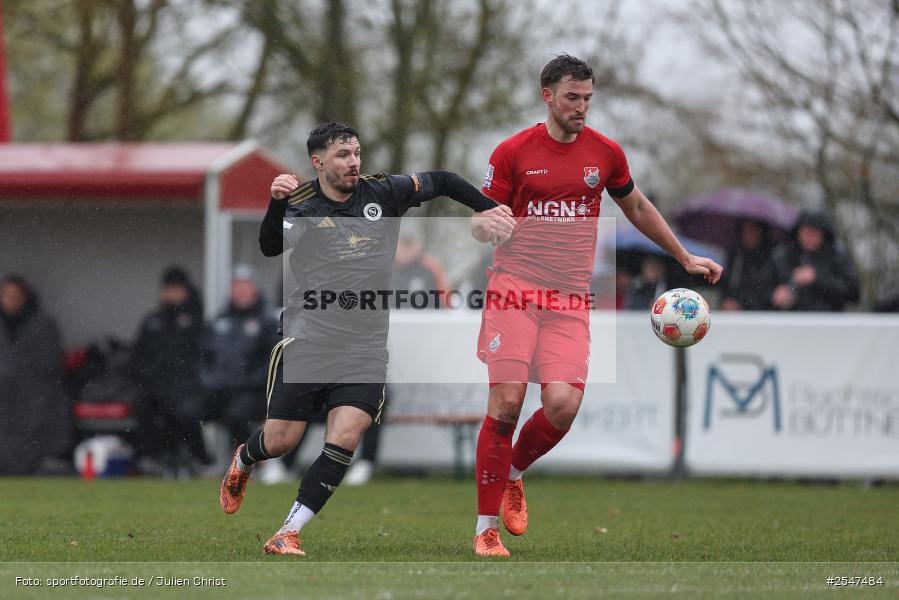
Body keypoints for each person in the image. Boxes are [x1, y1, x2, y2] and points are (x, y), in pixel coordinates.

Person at [218, 121, 516, 556]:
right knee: (281, 441)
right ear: (317, 162)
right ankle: (245, 458)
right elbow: (268, 247)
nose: (353, 161)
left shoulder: (384, 192)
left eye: (356, 152)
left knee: (347, 433)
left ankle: (288, 531)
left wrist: (487, 206)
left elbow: (443, 181)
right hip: (309, 337)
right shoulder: (300, 203)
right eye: (342, 155)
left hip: (364, 345)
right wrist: (275, 203)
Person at [470, 55, 723, 556]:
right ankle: (485, 528)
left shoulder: (605, 153)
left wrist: (683, 256)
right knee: (507, 403)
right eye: (572, 98)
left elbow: (638, 207)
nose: (581, 107)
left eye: (587, 98)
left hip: (568, 299)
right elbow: (482, 220)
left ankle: (514, 475)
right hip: (513, 290)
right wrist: (486, 227)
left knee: (562, 406)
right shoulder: (513, 152)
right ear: (547, 95)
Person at [130, 267, 212, 476]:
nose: (173, 293)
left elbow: (205, 358)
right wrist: (149, 380)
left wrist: (194, 382)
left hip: (190, 387)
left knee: (185, 412)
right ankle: (157, 459)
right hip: (157, 386)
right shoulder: (152, 321)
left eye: (177, 288)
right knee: (146, 407)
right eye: (169, 288)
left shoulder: (197, 321)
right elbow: (139, 357)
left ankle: (198, 459)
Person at [201, 265, 279, 452]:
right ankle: (202, 462)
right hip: (220, 389)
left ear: (255, 289)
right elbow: (203, 356)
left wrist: (251, 381)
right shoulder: (218, 321)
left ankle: (246, 461)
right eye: (237, 286)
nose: (241, 291)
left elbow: (273, 358)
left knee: (237, 414)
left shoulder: (268, 321)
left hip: (255, 391)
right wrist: (210, 380)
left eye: (245, 286)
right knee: (186, 411)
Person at [0, 275, 72, 474]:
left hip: (35, 399)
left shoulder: (42, 325)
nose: (10, 300)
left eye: (16, 295)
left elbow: (52, 364)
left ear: (25, 297)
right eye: (6, 295)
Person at [769, 210, 859, 312]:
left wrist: (817, 278)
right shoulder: (783, 256)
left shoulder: (837, 255)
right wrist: (777, 295)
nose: (809, 236)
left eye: (814, 232)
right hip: (792, 322)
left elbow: (853, 293)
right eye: (806, 231)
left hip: (828, 322)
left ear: (823, 233)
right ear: (798, 232)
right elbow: (761, 289)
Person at [720, 219, 775, 311]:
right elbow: (728, 285)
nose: (749, 234)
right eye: (745, 231)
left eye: (753, 230)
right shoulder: (736, 257)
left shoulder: (771, 258)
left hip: (764, 315)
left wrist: (743, 304)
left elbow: (769, 291)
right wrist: (728, 300)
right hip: (736, 316)